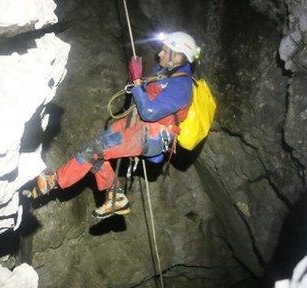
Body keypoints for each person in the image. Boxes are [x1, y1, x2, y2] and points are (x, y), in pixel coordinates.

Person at [29, 32, 199, 219]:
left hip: (150, 136)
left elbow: (149, 112)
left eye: (165, 51)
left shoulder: (181, 87)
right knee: (94, 148)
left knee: (95, 150)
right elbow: (144, 93)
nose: (159, 54)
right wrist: (136, 78)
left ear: (179, 56)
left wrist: (136, 83)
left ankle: (55, 180)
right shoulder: (166, 75)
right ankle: (115, 196)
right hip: (136, 126)